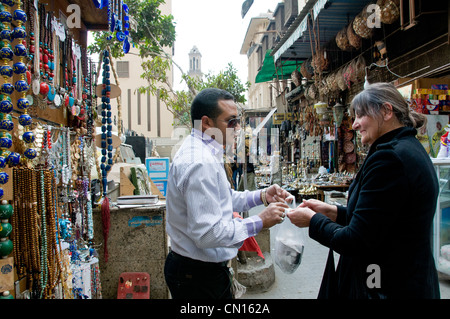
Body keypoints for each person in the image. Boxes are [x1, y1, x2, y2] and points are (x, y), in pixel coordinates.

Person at [288, 82, 440, 299]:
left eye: (360, 116)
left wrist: (313, 220)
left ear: (387, 111)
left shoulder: (389, 159)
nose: (355, 125)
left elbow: (355, 241)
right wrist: (332, 212)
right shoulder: (407, 147)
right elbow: (378, 221)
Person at [164, 88, 292, 299]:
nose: (238, 128)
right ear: (206, 123)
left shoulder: (205, 152)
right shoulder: (200, 161)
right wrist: (259, 221)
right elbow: (207, 234)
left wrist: (262, 196)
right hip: (198, 276)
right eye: (231, 122)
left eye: (238, 120)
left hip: (200, 271)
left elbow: (224, 199)